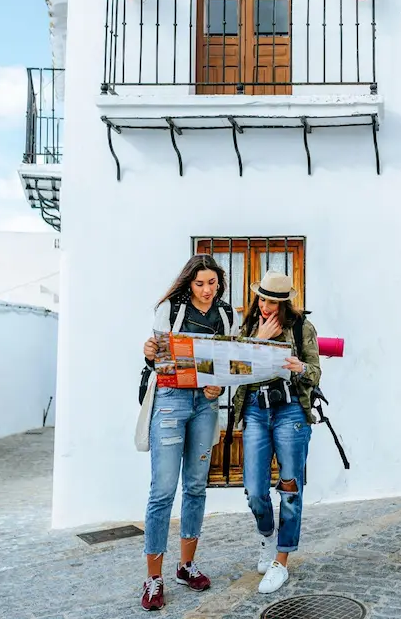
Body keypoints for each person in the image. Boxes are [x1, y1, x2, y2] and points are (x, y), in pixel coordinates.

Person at [137, 254, 237, 611]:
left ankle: (186, 565)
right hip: (171, 400)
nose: (207, 290)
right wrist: (149, 353)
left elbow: (231, 361)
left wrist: (219, 386)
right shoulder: (170, 308)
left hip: (206, 405)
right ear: (188, 282)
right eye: (200, 283)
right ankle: (153, 578)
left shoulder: (227, 315)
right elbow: (157, 358)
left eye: (213, 283)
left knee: (195, 486)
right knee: (163, 489)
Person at [233, 270, 322, 594]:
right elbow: (236, 367)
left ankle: (281, 561)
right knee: (255, 490)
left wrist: (301, 368)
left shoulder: (301, 328)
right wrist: (260, 340)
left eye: (272, 301)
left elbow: (314, 372)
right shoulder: (249, 327)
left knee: (290, 488)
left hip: (290, 413)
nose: (266, 305)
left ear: (284, 303)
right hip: (256, 410)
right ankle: (267, 536)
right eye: (262, 298)